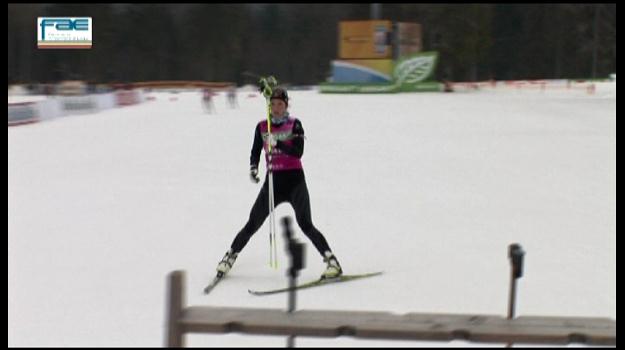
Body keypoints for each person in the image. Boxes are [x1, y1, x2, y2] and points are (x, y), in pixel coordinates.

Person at [215, 87, 342, 279]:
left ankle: (332, 261)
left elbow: (298, 152)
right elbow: (255, 150)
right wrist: (253, 167)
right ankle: (229, 256)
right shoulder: (262, 127)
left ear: (286, 105)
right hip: (273, 182)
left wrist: (278, 143)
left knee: (305, 224)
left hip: (295, 181)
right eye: (273, 104)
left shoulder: (295, 125)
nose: (276, 108)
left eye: (280, 104)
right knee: (253, 223)